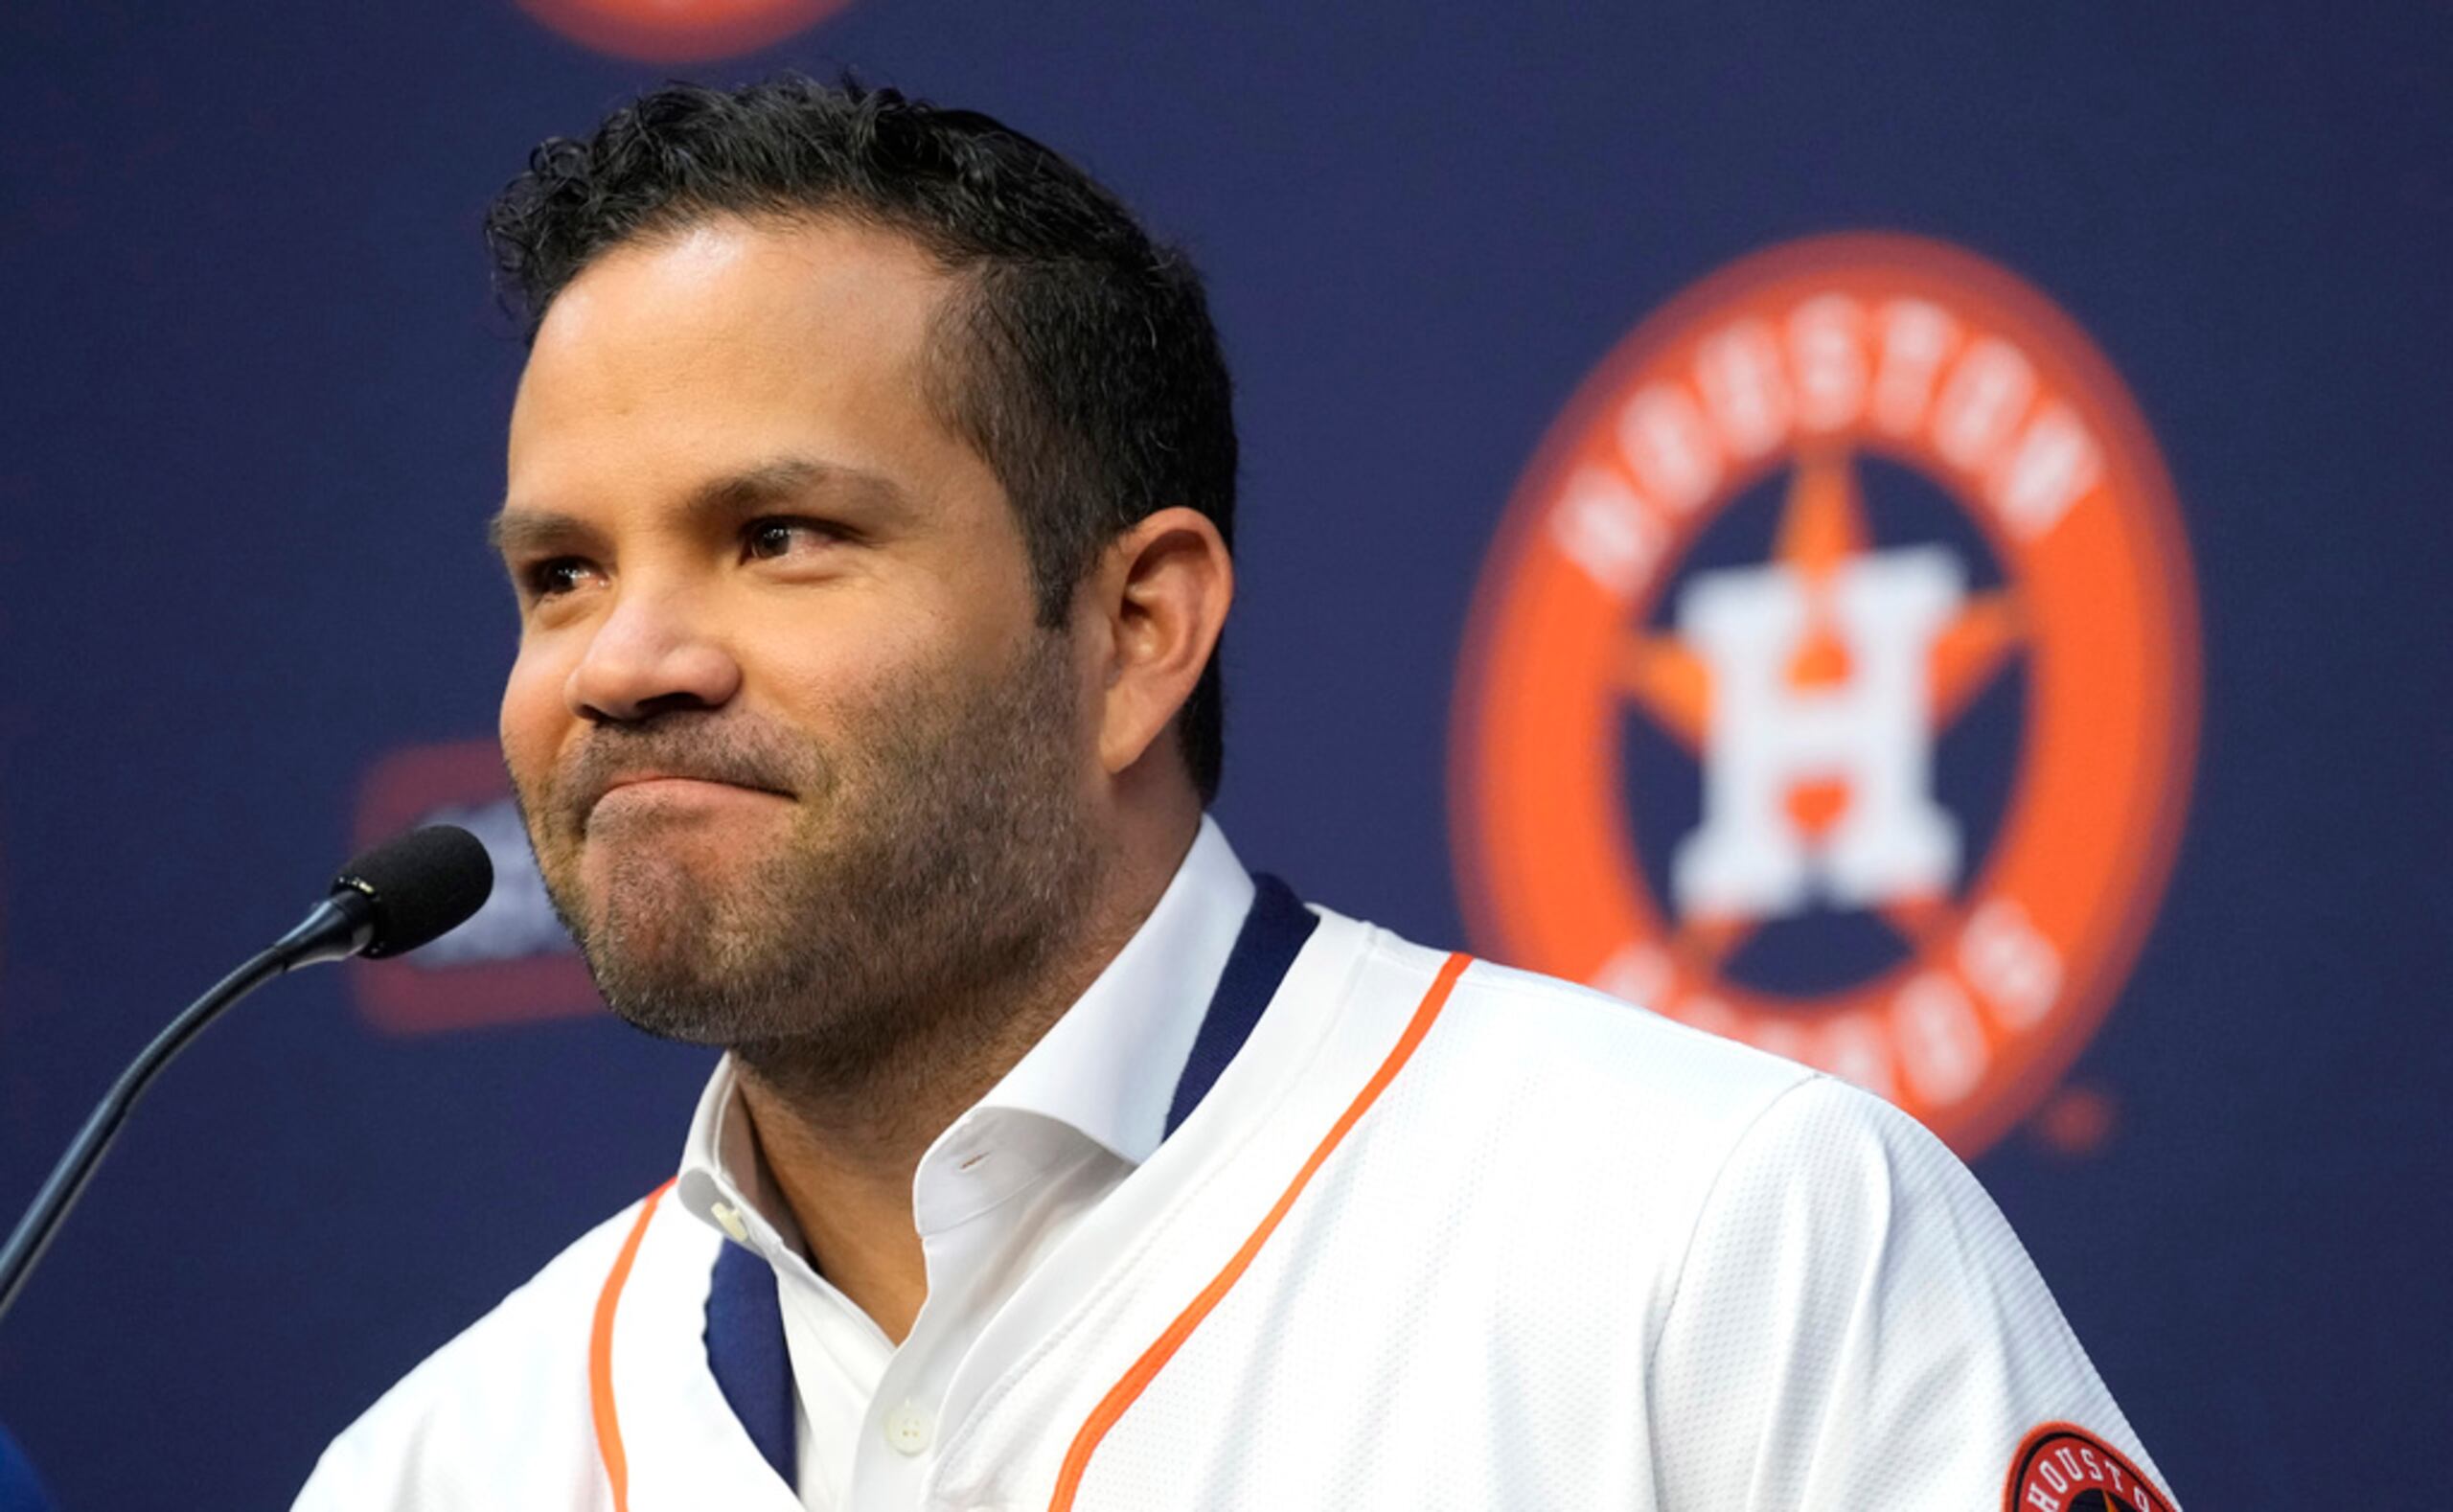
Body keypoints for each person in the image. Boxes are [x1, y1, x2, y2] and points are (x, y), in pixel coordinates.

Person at [295, 75, 2177, 1512]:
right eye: (560, 574)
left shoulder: (1713, 1239)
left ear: (1133, 630)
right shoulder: (432, 1464)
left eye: (776, 535)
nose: (622, 662)